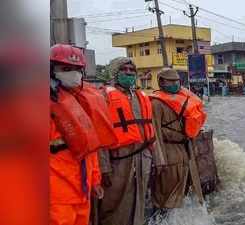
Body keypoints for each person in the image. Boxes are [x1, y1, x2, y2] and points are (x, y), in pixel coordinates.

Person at [50, 44, 115, 225]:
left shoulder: (82, 102)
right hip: (56, 194)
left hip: (82, 191)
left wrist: (95, 181)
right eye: (65, 69)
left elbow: (89, 148)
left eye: (77, 69)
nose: (73, 74)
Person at [98, 57, 163, 225]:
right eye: (124, 70)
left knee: (140, 198)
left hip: (143, 158)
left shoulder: (141, 96)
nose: (128, 73)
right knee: (114, 202)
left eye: (131, 70)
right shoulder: (103, 97)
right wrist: (104, 168)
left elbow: (151, 130)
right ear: (115, 72)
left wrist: (158, 159)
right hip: (118, 160)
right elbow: (99, 135)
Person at [150, 68, 207, 210]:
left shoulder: (184, 100)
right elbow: (155, 133)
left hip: (185, 151)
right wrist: (159, 160)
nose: (175, 84)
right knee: (167, 195)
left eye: (177, 81)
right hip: (168, 153)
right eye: (171, 81)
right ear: (161, 82)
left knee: (187, 191)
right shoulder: (156, 103)